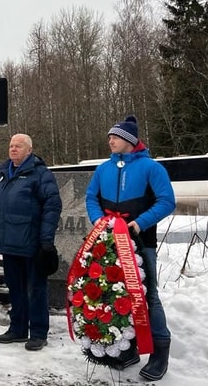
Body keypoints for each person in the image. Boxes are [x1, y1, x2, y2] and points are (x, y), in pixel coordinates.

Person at [85, 115, 175, 381]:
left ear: (128, 140)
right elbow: (91, 197)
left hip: (141, 243)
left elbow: (166, 201)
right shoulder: (103, 169)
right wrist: (99, 220)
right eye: (110, 137)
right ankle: (126, 348)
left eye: (114, 137)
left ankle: (160, 351)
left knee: (147, 296)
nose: (110, 140)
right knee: (114, 296)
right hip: (108, 243)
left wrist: (139, 223)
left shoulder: (151, 168)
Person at [0, 134, 61, 351]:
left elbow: (52, 206)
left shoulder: (40, 174)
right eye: (11, 145)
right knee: (15, 288)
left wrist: (46, 240)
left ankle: (38, 333)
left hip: (31, 243)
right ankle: (18, 328)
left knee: (36, 289)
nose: (13, 149)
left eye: (18, 146)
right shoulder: (3, 174)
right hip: (9, 243)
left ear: (29, 150)